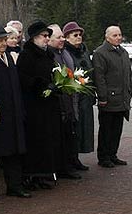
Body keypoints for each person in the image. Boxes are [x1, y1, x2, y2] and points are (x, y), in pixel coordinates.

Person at [0, 24, 30, 201]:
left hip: (13, 111)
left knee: (13, 150)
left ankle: (14, 186)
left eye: (4, 39)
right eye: (0, 40)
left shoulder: (8, 57)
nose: (4, 43)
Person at [17, 21, 60, 190]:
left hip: (48, 104)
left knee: (47, 140)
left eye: (48, 36)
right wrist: (39, 84)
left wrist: (57, 85)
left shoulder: (48, 54)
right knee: (35, 140)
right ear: (34, 38)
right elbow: (23, 78)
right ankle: (31, 175)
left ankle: (44, 173)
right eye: (44, 36)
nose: (47, 39)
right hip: (34, 105)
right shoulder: (27, 55)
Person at [93, 25, 132, 168]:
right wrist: (103, 97)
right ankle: (103, 157)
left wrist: (129, 91)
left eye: (120, 35)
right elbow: (99, 77)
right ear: (107, 37)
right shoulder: (100, 53)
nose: (118, 38)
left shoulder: (122, 52)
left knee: (117, 129)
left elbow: (128, 74)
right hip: (109, 99)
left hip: (122, 99)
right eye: (115, 35)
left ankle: (112, 154)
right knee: (106, 130)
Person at [47, 24, 80, 180]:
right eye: (58, 37)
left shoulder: (65, 53)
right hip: (58, 102)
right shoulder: (49, 55)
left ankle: (70, 163)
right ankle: (62, 167)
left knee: (69, 135)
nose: (62, 40)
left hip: (69, 101)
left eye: (62, 37)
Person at [63, 21, 94, 170]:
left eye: (80, 34)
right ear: (67, 37)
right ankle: (71, 158)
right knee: (75, 127)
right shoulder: (66, 52)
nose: (78, 37)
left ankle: (77, 157)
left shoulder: (83, 51)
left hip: (85, 95)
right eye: (75, 35)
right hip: (74, 95)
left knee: (84, 127)